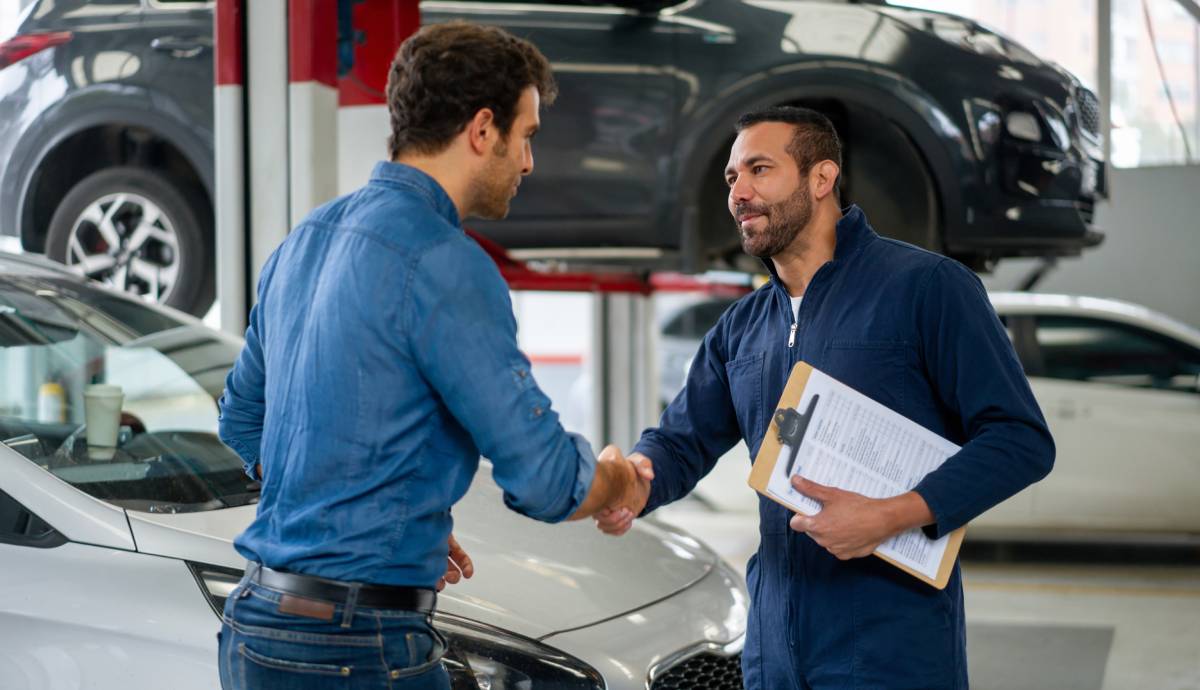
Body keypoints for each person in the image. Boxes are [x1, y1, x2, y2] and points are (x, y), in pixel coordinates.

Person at [216, 22, 651, 690]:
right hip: (356, 645)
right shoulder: (447, 264)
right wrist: (619, 481)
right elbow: (541, 477)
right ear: (483, 131)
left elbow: (242, 421)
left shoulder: (305, 238)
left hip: (256, 627)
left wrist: (368, 511)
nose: (529, 162)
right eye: (527, 135)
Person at [595, 106, 1054, 689]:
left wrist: (891, 515)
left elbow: (1020, 440)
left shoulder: (927, 289)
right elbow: (680, 443)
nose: (739, 192)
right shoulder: (742, 327)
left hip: (893, 648)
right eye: (732, 178)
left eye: (760, 169)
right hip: (775, 650)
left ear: (821, 178)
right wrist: (634, 480)